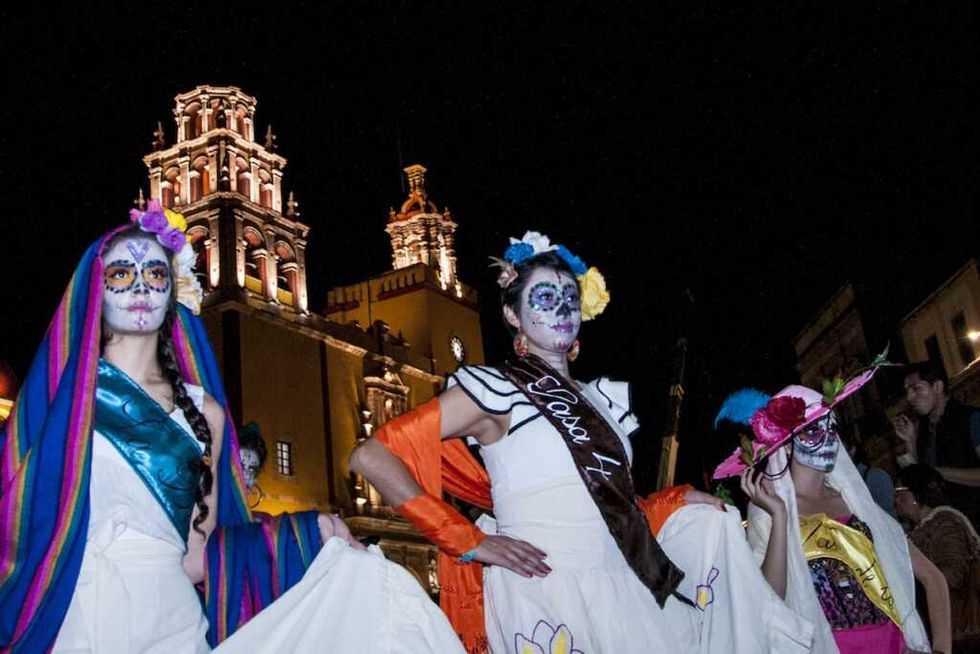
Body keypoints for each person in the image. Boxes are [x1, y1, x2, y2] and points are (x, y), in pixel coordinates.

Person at [0, 202, 464, 652]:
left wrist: (306, 533)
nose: (139, 286)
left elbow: (197, 560)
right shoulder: (61, 404)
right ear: (93, 292)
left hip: (170, 623)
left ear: (172, 293)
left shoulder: (209, 416)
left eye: (155, 274)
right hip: (70, 616)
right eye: (121, 274)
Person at [352, 231, 813, 653]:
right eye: (545, 297)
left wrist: (671, 502)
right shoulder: (494, 391)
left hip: (621, 585)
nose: (561, 308)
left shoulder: (603, 402)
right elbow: (372, 455)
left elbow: (609, 504)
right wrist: (469, 541)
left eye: (570, 297)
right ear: (513, 314)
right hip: (546, 589)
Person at [715, 374, 952, 654]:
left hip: (891, 643)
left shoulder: (857, 504)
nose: (827, 440)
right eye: (813, 431)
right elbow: (770, 601)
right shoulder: (767, 507)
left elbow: (933, 577)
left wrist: (941, 648)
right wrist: (780, 517)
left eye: (831, 428)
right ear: (787, 443)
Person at [895, 464, 980, 651]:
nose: (896, 498)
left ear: (917, 495)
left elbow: (954, 573)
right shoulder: (925, 528)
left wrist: (922, 579)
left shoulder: (945, 523)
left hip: (962, 629)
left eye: (901, 491)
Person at [894, 361, 980, 526]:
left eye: (916, 389)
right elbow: (922, 480)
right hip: (951, 527)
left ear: (938, 387)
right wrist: (910, 441)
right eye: (907, 391)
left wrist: (933, 472)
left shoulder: (970, 419)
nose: (909, 398)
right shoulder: (925, 430)